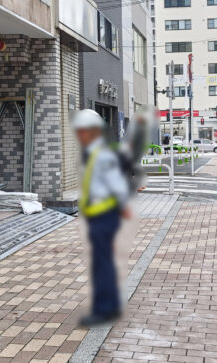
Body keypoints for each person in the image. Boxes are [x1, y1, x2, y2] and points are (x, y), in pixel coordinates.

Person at [72, 109, 131, 326]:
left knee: (101, 264)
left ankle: (105, 310)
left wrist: (122, 208)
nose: (79, 135)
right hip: (99, 216)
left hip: (104, 216)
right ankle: (111, 304)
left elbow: (117, 184)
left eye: (83, 131)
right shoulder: (93, 152)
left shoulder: (102, 154)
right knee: (102, 262)